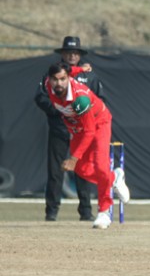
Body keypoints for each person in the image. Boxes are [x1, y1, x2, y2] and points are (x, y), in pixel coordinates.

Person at [44, 62, 129, 229]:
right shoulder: (49, 85)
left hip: (98, 124)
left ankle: (104, 212)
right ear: (50, 79)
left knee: (100, 166)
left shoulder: (80, 99)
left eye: (62, 79)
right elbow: (70, 70)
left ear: (68, 79)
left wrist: (73, 158)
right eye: (55, 79)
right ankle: (114, 178)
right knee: (81, 169)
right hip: (78, 128)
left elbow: (90, 132)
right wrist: (81, 69)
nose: (59, 83)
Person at [34, 36, 106, 221]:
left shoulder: (89, 75)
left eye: (75, 53)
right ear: (62, 54)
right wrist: (59, 110)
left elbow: (100, 100)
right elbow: (40, 97)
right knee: (55, 171)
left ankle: (86, 211)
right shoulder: (53, 75)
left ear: (80, 55)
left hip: (81, 132)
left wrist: (84, 115)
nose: (72, 56)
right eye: (68, 52)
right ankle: (51, 212)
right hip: (59, 129)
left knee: (82, 169)